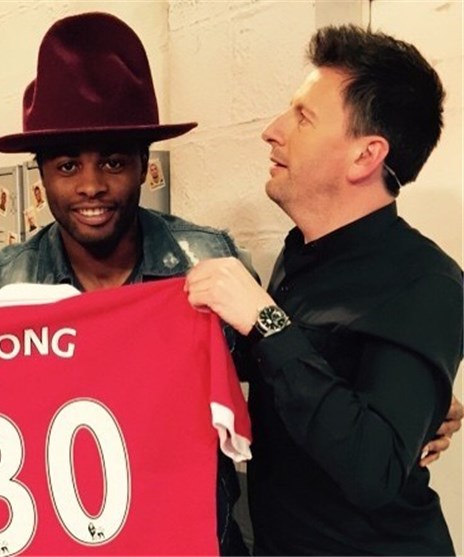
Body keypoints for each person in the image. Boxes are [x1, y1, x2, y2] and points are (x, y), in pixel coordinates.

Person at [0, 12, 251, 555]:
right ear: (40, 175)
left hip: (196, 540)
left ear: (145, 165)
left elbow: (277, 386)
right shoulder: (6, 282)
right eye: (67, 167)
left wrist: (402, 405)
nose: (91, 186)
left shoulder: (208, 259)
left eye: (112, 162)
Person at [186, 25, 463, 555]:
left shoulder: (427, 280)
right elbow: (303, 379)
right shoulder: (300, 253)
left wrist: (266, 321)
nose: (272, 131)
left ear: (365, 156)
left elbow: (374, 471)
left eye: (303, 117)